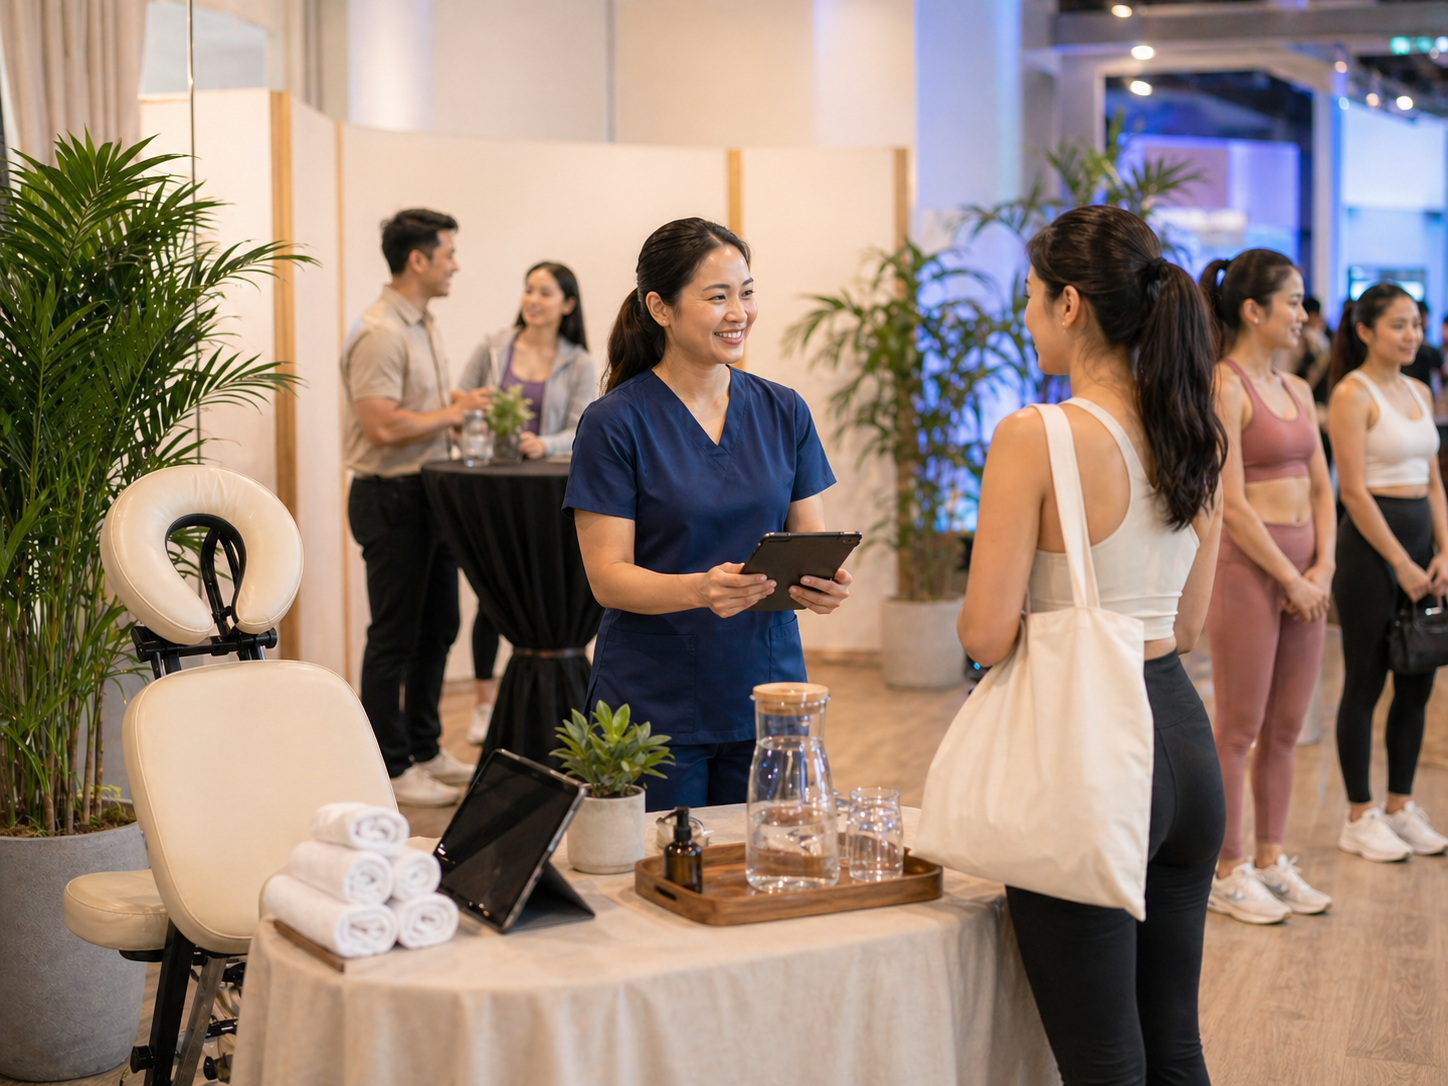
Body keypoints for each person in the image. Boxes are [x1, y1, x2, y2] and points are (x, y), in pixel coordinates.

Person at [958, 205, 1225, 1085]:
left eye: (1031, 298)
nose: (1027, 317)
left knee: (1104, 1061)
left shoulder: (1035, 436)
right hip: (1183, 747)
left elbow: (985, 636)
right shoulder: (1192, 428)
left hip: (1092, 757)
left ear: (1070, 304)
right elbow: (1186, 627)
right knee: (1174, 1047)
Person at [564, 218, 852, 811]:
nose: (738, 312)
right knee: (656, 879)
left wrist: (822, 583)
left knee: (768, 866)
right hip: (652, 704)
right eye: (717, 296)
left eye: (746, 293)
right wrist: (701, 589)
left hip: (768, 688)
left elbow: (809, 540)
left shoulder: (784, 410)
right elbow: (607, 577)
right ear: (660, 308)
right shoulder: (614, 423)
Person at [1198, 251, 1335, 925]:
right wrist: (1290, 578)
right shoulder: (1224, 387)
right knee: (1240, 728)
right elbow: (1230, 503)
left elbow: (1322, 489)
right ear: (1254, 310)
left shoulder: (1301, 391)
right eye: (1295, 302)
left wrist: (1323, 571)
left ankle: (1274, 858)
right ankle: (1230, 867)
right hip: (1250, 572)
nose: (1304, 316)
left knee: (1286, 728)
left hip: (1306, 578)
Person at [341, 208, 482, 807]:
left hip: (429, 495)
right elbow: (380, 426)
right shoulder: (381, 330)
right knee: (395, 636)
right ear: (418, 260)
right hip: (391, 497)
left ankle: (424, 747)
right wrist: (454, 414)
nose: (455, 264)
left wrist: (461, 400)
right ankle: (390, 766)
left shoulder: (422, 323)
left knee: (440, 626)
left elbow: (415, 401)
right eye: (448, 253)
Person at [1328, 282, 1448, 860]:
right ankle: (1360, 814)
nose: (1412, 335)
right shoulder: (1353, 393)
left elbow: (1433, 482)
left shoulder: (1422, 390)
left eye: (1416, 325)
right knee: (1366, 682)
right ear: (1366, 330)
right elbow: (1351, 490)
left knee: (1418, 681)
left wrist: (1443, 552)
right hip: (1372, 555)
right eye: (1399, 324)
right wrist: (1400, 563)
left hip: (1423, 550)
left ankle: (1400, 806)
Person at [457, 262, 599, 745]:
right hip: (498, 488)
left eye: (545, 291)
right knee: (492, 593)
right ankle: (482, 703)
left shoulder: (578, 360)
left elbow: (584, 424)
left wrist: (546, 444)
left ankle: (569, 696)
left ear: (568, 304)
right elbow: (462, 398)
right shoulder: (493, 347)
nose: (533, 299)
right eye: (528, 289)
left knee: (550, 591)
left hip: (551, 492)